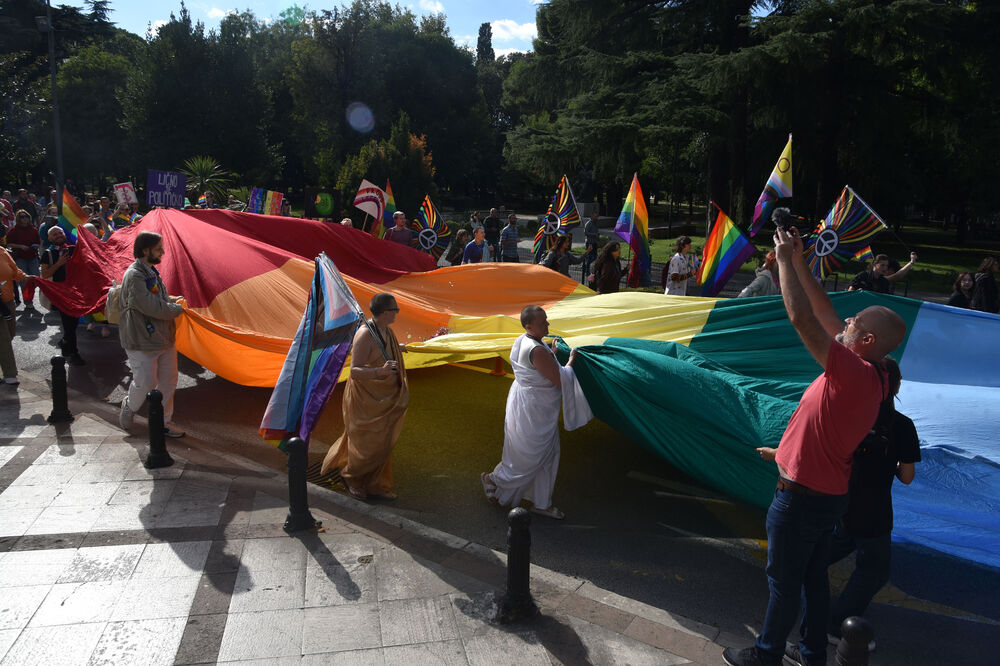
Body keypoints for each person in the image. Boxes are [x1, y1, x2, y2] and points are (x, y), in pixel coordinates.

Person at [722, 225, 906, 666]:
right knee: (812, 582)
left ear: (865, 342)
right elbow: (825, 313)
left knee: (783, 583)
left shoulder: (853, 373)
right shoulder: (874, 372)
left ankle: (766, 656)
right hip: (826, 495)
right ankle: (812, 653)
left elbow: (804, 319)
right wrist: (801, 259)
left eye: (854, 323)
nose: (845, 321)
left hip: (801, 498)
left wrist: (783, 262)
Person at [826, 357, 919, 651]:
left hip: (840, 500)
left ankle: (796, 578)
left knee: (833, 546)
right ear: (896, 387)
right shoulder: (902, 425)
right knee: (874, 570)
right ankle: (837, 626)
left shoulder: (848, 414)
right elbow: (907, 476)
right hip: (876, 510)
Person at [480, 305, 589, 519]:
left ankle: (541, 503)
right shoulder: (537, 349)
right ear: (529, 326)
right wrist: (571, 362)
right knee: (530, 457)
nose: (547, 324)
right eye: (543, 322)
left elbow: (539, 365)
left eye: (546, 320)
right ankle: (493, 479)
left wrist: (553, 353)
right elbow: (560, 379)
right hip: (534, 411)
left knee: (544, 454)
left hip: (528, 405)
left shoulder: (525, 340)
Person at [320, 292, 409, 500]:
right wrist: (380, 372)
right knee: (366, 443)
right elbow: (354, 371)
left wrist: (399, 348)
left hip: (384, 398)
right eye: (395, 309)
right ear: (386, 312)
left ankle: (374, 483)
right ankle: (351, 477)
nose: (397, 313)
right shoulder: (364, 334)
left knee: (384, 441)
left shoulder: (387, 331)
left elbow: (387, 350)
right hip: (365, 399)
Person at [118, 231, 187, 438]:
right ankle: (129, 405)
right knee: (146, 382)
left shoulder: (151, 271)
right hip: (141, 341)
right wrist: (177, 309)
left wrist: (174, 301)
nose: (162, 252)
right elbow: (151, 306)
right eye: (158, 248)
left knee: (169, 381)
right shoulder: (135, 275)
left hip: (164, 338)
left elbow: (160, 298)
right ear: (145, 250)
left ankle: (164, 422)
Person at [40, 227, 85, 365]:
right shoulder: (48, 254)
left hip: (75, 293)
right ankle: (74, 353)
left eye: (60, 232)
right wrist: (59, 264)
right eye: (54, 234)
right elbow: (45, 275)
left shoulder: (74, 249)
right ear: (50, 239)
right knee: (68, 322)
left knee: (74, 322)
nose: (58, 235)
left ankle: (65, 341)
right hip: (60, 295)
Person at [4, 210, 40, 309]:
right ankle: (28, 301)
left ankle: (29, 297)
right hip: (20, 258)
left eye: (26, 216)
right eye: (22, 217)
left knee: (36, 278)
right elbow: (9, 244)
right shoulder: (13, 230)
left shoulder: (33, 229)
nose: (24, 218)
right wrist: (20, 246)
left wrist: (36, 246)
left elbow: (38, 242)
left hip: (32, 256)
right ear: (18, 218)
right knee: (24, 280)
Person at [0, 244, 26, 384]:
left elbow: (15, 271)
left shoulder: (2, 251)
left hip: (8, 301)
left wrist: (25, 277)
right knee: (3, 338)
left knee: (10, 334)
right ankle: (10, 373)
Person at [848, 252, 917, 293]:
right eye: (882, 265)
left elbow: (886, 299)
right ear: (875, 264)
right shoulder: (862, 276)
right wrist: (856, 294)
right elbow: (850, 292)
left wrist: (912, 262)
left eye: (886, 265)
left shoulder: (884, 281)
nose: (885, 268)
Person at [581, 209, 600, 285]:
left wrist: (598, 240)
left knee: (595, 257)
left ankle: (593, 272)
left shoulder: (595, 223)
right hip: (590, 243)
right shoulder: (588, 223)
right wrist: (594, 235)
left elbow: (597, 233)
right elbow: (586, 233)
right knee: (589, 258)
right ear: (592, 216)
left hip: (595, 243)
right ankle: (587, 272)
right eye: (595, 216)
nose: (596, 218)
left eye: (597, 216)